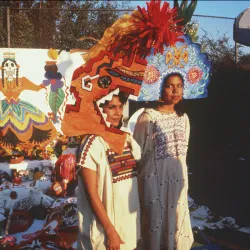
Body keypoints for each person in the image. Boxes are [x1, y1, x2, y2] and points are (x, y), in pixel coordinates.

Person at [133, 73, 194, 250]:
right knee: (154, 223)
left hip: (177, 179)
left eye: (179, 86)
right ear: (160, 88)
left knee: (176, 221)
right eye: (169, 86)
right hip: (153, 180)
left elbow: (183, 152)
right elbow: (137, 153)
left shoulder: (183, 118)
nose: (175, 90)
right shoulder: (148, 117)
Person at [76, 91, 141, 250]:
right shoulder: (92, 143)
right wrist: (111, 232)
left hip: (128, 222)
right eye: (111, 107)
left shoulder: (127, 138)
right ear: (99, 109)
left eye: (120, 107)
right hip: (104, 227)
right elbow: (92, 195)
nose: (118, 112)